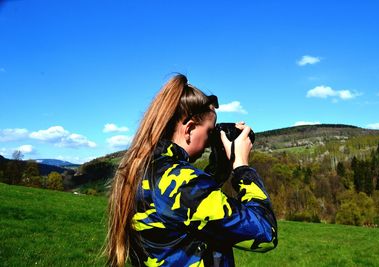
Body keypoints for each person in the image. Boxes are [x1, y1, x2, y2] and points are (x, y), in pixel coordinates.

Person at [105, 74, 278, 266]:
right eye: (209, 132)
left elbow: (196, 207)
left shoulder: (141, 169)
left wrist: (221, 165)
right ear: (189, 129)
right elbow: (265, 233)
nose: (208, 141)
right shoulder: (183, 183)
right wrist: (242, 167)